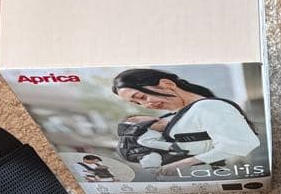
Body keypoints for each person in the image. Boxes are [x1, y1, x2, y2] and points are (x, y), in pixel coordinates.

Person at [111, 68, 259, 175]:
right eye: (137, 103)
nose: (146, 105)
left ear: (167, 84)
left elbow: (241, 144)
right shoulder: (172, 116)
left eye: (141, 97)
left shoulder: (209, 107)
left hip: (218, 176)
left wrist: (181, 164)